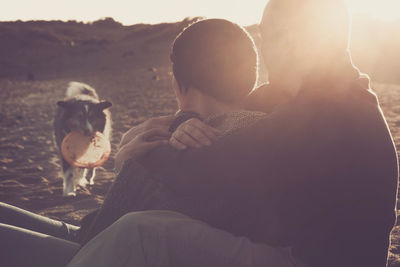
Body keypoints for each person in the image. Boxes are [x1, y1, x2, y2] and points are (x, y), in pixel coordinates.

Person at [83, 0, 398, 266]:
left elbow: (213, 167)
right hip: (295, 255)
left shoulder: (334, 108)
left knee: (141, 232)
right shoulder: (316, 96)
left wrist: (134, 156)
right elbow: (226, 115)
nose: (267, 52)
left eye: (270, 37)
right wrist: (186, 124)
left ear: (297, 41)